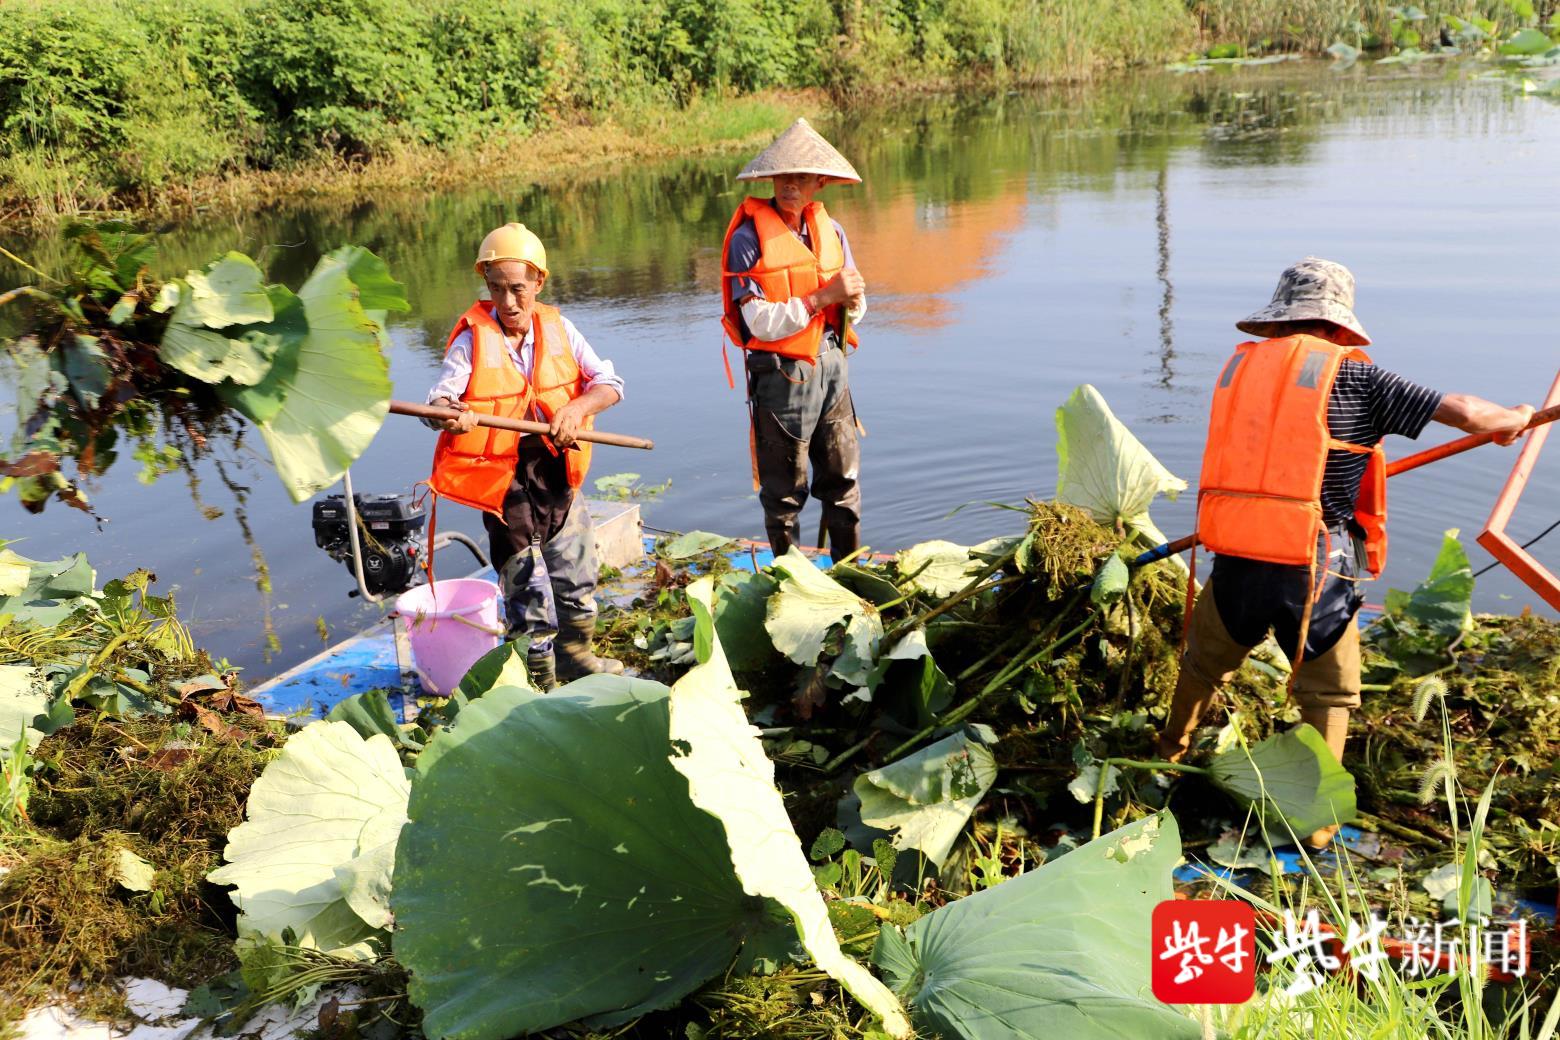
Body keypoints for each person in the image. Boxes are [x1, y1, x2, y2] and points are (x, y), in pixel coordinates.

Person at [1155, 257, 1534, 847]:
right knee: (1328, 693)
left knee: (1203, 665)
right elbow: (1461, 410)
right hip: (1311, 568)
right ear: (1337, 326)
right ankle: (1319, 826)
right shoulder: (1358, 379)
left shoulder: (1238, 371)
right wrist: (1514, 418)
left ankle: (1165, 760)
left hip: (1232, 555)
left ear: (1278, 322)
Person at [425, 222, 626, 690]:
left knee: (577, 584)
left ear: (539, 282)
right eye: (497, 289)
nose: (508, 302)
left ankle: (577, 659)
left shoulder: (561, 328)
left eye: (518, 289)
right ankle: (540, 686)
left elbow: (610, 384)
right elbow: (438, 401)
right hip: (504, 485)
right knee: (528, 597)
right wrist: (449, 415)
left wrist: (578, 407)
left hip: (557, 474)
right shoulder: (471, 339)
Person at [720, 118, 867, 557]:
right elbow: (757, 324)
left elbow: (858, 301)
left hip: (831, 365)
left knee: (843, 481)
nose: (791, 185)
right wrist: (824, 297)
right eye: (784, 176)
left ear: (818, 183)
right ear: (772, 179)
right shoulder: (747, 240)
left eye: (801, 177)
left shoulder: (833, 232)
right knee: (784, 495)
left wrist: (850, 301)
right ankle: (790, 583)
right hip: (783, 377)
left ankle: (850, 575)